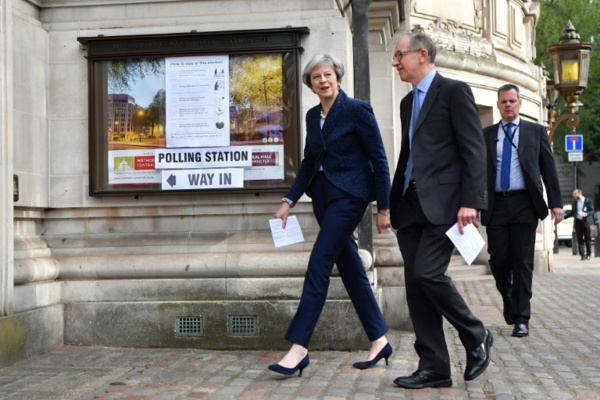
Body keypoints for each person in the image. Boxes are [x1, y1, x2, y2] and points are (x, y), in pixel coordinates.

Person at [267, 53, 393, 377]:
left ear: (337, 77)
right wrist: (288, 202)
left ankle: (298, 347)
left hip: (350, 197)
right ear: (310, 84)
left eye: (327, 74)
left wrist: (384, 207)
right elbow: (309, 164)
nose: (323, 80)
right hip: (323, 199)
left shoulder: (356, 110)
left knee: (320, 260)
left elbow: (379, 160)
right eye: (316, 77)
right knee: (350, 268)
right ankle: (379, 338)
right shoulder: (312, 117)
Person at [389, 31, 492, 389]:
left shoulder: (454, 91)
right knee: (416, 286)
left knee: (429, 274)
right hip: (410, 205)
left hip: (445, 205)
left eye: (399, 55)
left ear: (421, 55)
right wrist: (390, 204)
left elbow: (474, 150)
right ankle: (434, 366)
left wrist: (471, 201)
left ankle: (476, 333)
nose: (394, 62)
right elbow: (408, 158)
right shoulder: (406, 104)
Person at [481, 84, 563, 338]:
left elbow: (548, 169)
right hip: (495, 205)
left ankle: (521, 317)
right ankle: (509, 298)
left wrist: (556, 203)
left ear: (519, 104)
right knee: (498, 261)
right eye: (503, 101)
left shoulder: (535, 132)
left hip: (524, 205)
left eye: (512, 101)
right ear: (498, 105)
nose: (508, 105)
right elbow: (475, 172)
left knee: (522, 262)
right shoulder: (486, 134)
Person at [565, 188, 595, 260]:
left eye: (575, 195)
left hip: (586, 222)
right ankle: (582, 255)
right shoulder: (575, 203)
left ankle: (588, 254)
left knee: (588, 239)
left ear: (580, 193)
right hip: (578, 222)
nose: (574, 197)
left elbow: (592, 210)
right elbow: (572, 212)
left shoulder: (588, 201)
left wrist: (585, 214)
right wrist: (564, 216)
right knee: (579, 239)